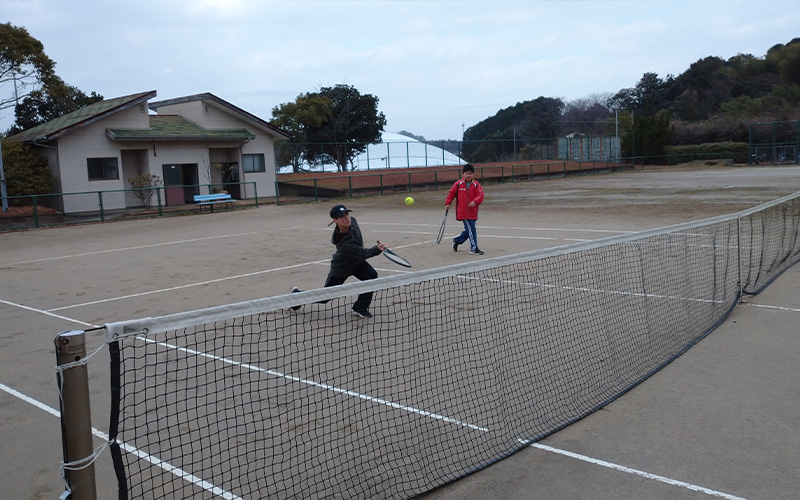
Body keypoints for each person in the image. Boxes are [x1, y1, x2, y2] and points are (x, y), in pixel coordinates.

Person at [292, 204, 387, 318]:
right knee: (324, 298)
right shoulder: (343, 243)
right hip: (342, 268)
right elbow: (363, 254)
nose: (347, 218)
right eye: (342, 216)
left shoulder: (353, 221)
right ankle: (297, 296)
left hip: (356, 263)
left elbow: (359, 252)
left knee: (371, 275)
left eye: (347, 214)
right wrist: (377, 249)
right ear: (335, 220)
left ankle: (360, 308)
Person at [445, 163, 485, 255]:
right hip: (463, 213)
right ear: (463, 174)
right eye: (466, 173)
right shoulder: (458, 184)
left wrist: (475, 202)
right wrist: (447, 203)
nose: (468, 175)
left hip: (473, 212)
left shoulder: (476, 184)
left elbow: (481, 195)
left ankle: (457, 240)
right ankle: (474, 248)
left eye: (470, 173)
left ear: (473, 174)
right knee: (472, 229)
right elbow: (451, 194)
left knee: (469, 231)